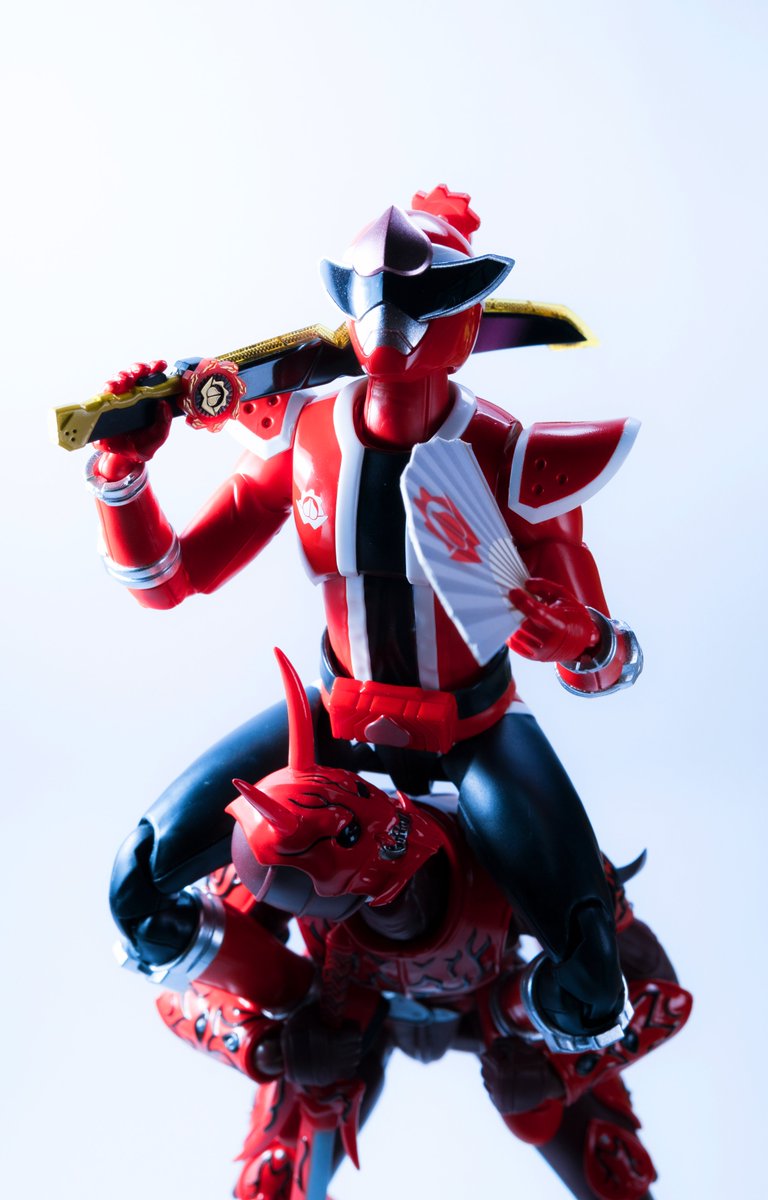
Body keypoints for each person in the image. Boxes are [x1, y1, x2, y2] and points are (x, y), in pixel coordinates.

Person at [89, 185, 643, 1053]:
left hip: (474, 728)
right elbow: (170, 579)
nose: (395, 324)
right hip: (334, 713)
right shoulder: (304, 437)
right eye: (373, 297)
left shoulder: (510, 457)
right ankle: (295, 1007)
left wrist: (583, 640)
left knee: (593, 984)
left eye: (426, 300)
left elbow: (607, 659)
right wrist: (120, 480)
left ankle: (500, 1023)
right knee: (138, 892)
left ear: (471, 316)